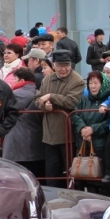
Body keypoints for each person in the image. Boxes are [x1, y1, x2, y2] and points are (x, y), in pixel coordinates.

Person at [33, 52, 84, 184]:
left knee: (69, 173)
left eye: (66, 65)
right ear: (54, 66)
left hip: (68, 135)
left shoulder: (77, 80)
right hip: (49, 136)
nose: (63, 69)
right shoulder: (47, 79)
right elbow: (37, 99)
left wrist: (51, 96)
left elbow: (71, 101)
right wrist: (45, 105)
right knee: (51, 174)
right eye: (60, 65)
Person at [71, 69, 110, 192]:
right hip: (82, 142)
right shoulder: (84, 99)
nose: (92, 86)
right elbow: (75, 114)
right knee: (81, 176)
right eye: (90, 83)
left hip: (100, 144)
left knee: (98, 176)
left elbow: (109, 122)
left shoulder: (108, 101)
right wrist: (83, 128)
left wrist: (93, 129)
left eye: (96, 83)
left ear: (102, 84)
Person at [2, 67, 45, 177]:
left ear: (21, 81)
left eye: (15, 80)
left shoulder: (14, 95)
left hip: (16, 145)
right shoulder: (40, 93)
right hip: (38, 145)